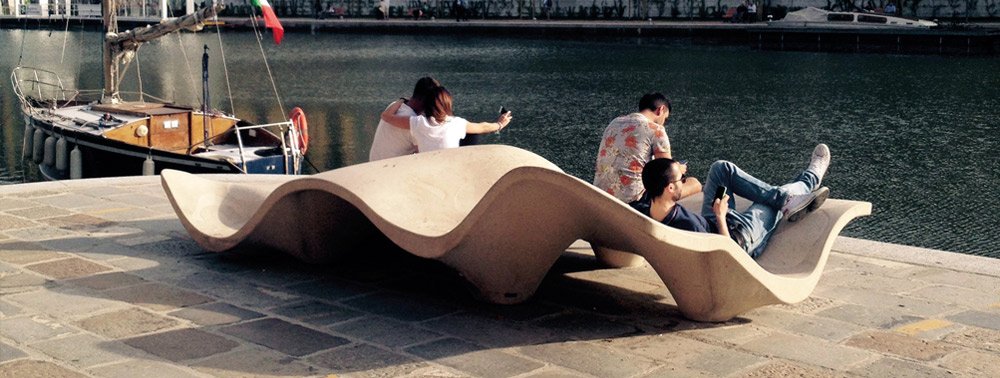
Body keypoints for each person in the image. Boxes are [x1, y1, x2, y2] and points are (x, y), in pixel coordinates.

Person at [630, 144, 831, 258]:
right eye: (680, 180)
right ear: (670, 188)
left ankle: (787, 200)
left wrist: (674, 169)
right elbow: (728, 256)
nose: (684, 181)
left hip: (714, 222)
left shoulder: (644, 207)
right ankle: (810, 178)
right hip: (738, 237)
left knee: (721, 168)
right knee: (774, 200)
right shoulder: (688, 226)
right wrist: (720, 216)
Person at [593, 93, 701, 204]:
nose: (664, 123)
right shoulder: (656, 130)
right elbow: (667, 176)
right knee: (694, 183)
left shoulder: (614, 122)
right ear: (661, 110)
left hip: (600, 195)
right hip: (634, 201)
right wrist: (679, 169)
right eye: (666, 118)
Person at [380, 86, 511, 153]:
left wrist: (401, 100)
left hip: (426, 169)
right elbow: (482, 127)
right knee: (473, 133)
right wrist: (500, 124)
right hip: (450, 167)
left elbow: (386, 117)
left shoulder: (417, 122)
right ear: (448, 105)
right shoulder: (457, 123)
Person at [369, 77, 440, 161]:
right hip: (389, 170)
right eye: (433, 101)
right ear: (425, 100)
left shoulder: (394, 106)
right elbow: (422, 158)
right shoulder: (414, 123)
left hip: (373, 164)